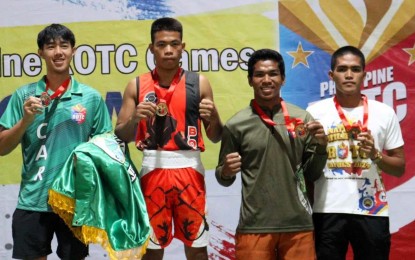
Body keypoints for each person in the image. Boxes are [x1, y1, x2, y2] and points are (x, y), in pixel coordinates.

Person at [0, 24, 112, 260]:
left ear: (73, 50)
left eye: (64, 45)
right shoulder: (24, 96)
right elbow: (2, 147)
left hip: (74, 201)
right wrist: (26, 120)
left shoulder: (90, 98)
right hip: (33, 200)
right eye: (51, 47)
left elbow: (106, 149)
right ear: (40, 53)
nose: (58, 52)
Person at [115, 17, 223, 260]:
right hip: (153, 169)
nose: (168, 50)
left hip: (190, 169)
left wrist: (215, 117)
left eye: (174, 44)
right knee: (151, 250)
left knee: (196, 247)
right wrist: (134, 121)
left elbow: (216, 136)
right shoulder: (136, 85)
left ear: (183, 47)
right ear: (151, 48)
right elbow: (120, 134)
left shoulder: (199, 82)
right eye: (162, 44)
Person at [215, 48, 328, 260]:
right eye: (259, 74)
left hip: (298, 225)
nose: (266, 80)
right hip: (254, 226)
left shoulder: (302, 118)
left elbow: (311, 174)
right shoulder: (236, 125)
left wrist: (322, 146)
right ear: (250, 80)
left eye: (273, 74)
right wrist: (227, 171)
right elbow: (224, 179)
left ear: (283, 79)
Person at [306, 45, 405, 260]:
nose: (349, 75)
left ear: (364, 74)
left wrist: (376, 155)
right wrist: (321, 147)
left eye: (355, 69)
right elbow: (305, 169)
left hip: (372, 209)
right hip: (327, 209)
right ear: (332, 75)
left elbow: (399, 167)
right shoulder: (314, 112)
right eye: (342, 69)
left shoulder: (384, 112)